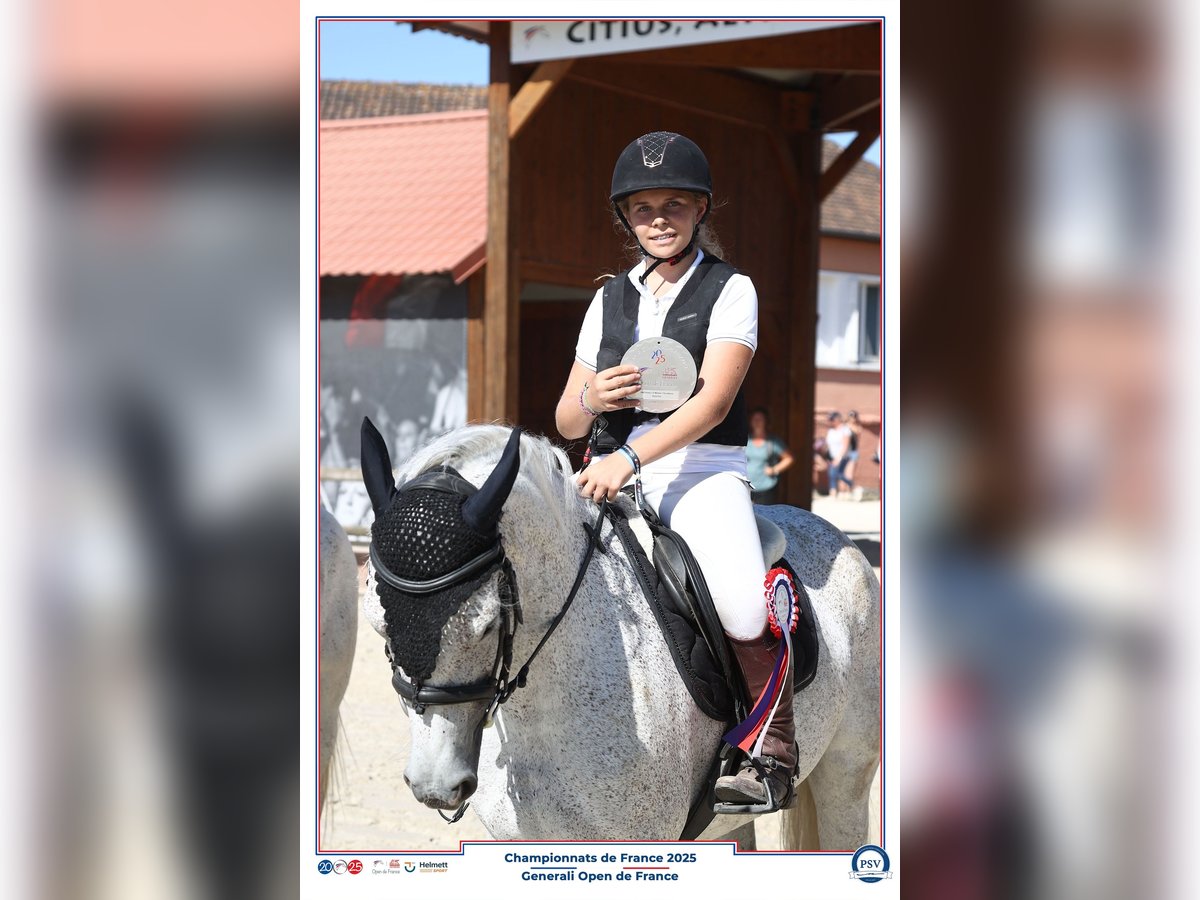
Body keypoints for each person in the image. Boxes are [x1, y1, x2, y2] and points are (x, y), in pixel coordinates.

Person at [554, 131, 797, 809]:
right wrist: (593, 398)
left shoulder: (731, 288)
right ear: (625, 218)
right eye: (643, 208)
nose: (658, 219)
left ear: (700, 210)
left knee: (741, 600)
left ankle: (770, 751)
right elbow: (567, 420)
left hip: (701, 467)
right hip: (608, 466)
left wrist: (628, 458)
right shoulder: (608, 299)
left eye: (675, 205)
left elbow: (713, 402)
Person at [746, 407, 794, 505]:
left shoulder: (773, 442)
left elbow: (789, 458)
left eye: (760, 419)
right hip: (747, 486)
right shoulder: (745, 440)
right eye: (754, 419)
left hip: (766, 487)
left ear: (766, 422)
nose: (757, 422)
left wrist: (774, 470)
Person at [825, 411, 853, 498]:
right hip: (831, 456)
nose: (831, 422)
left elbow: (845, 446)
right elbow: (828, 445)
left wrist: (838, 458)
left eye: (832, 419)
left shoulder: (845, 430)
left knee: (838, 474)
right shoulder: (831, 431)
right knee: (832, 474)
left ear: (838, 419)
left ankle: (850, 485)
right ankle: (833, 493)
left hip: (842, 456)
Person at [843, 410, 864, 501]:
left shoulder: (857, 427)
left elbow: (858, 434)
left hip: (853, 452)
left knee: (850, 472)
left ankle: (848, 491)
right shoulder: (844, 427)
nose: (852, 418)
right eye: (851, 416)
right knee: (844, 472)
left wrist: (850, 426)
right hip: (845, 452)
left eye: (854, 416)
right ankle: (844, 491)